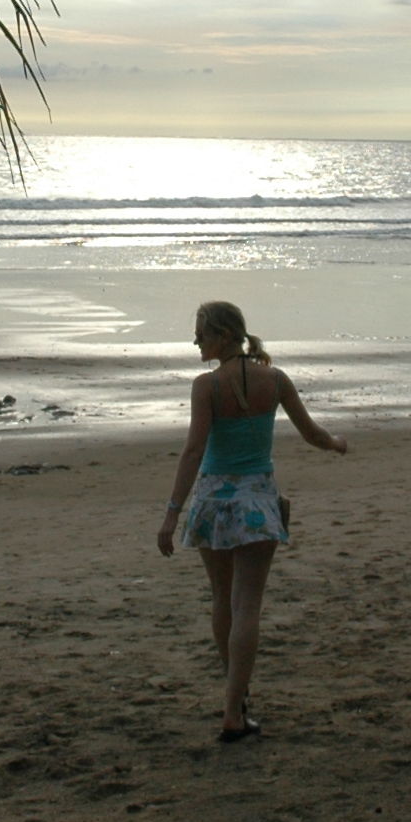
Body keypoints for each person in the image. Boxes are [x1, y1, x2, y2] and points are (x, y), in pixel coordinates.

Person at [155, 301, 348, 742]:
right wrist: (337, 445)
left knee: (223, 599)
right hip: (258, 503)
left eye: (201, 333)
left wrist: (171, 513)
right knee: (247, 605)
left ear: (224, 336)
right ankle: (233, 708)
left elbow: (193, 451)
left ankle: (236, 703)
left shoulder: (206, 386)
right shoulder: (275, 380)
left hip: (213, 504)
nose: (196, 341)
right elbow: (312, 434)